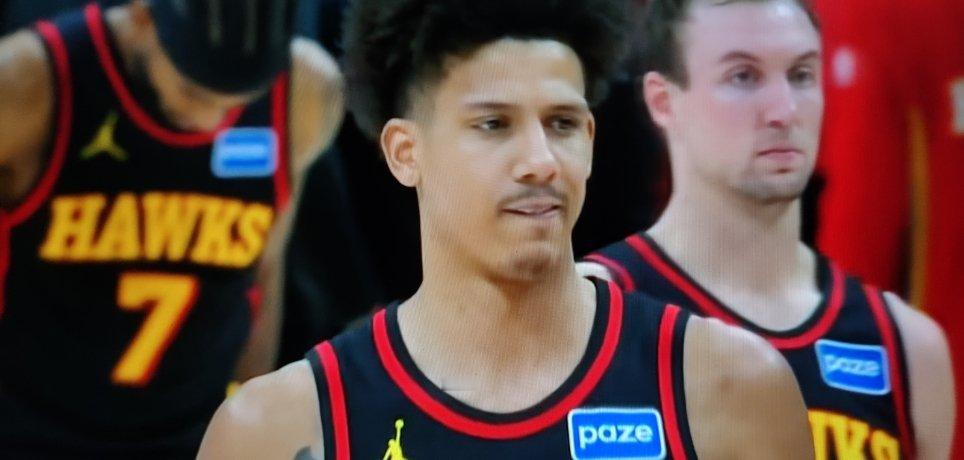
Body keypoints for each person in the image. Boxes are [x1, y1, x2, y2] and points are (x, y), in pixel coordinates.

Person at [198, 0, 813, 458]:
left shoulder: (733, 390)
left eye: (562, 124)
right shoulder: (278, 429)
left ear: (591, 140)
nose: (542, 161)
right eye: (494, 125)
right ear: (405, 153)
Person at [581, 0, 955, 458]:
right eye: (743, 76)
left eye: (802, 75)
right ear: (663, 101)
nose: (784, 110)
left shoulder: (907, 347)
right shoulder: (591, 312)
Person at [0, 0, 343, 456]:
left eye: (238, 102)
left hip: (192, 435)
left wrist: (253, 428)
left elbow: (262, 276)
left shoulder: (306, 93)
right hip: (28, 430)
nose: (210, 122)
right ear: (142, 14)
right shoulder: (26, 87)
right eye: (193, 93)